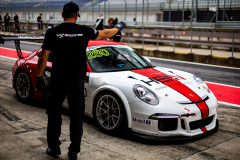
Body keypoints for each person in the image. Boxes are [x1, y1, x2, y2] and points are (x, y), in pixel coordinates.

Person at [35, 2, 126, 160]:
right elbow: (105, 33)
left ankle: (54, 147)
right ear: (77, 15)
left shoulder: (52, 32)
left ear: (63, 15)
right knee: (76, 116)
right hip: (76, 80)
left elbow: (43, 57)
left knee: (54, 113)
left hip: (58, 80)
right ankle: (73, 151)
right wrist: (118, 27)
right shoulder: (84, 30)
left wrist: (38, 78)